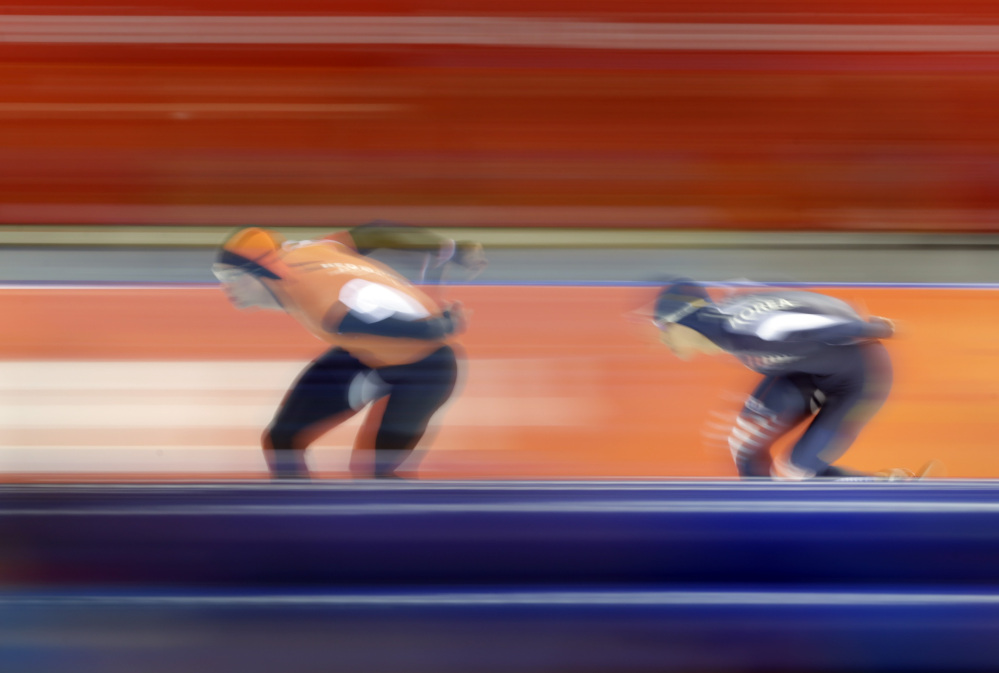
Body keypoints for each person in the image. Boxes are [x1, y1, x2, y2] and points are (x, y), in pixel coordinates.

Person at [213, 226, 471, 479]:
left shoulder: (315, 301)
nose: (225, 287)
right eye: (221, 275)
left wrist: (435, 328)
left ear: (262, 272)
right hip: (364, 352)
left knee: (375, 472)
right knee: (282, 439)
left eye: (233, 276)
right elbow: (372, 232)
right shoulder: (311, 250)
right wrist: (446, 247)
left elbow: (364, 322)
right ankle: (299, 515)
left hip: (427, 371)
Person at [651, 278, 910, 480]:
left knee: (791, 473)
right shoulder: (726, 319)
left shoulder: (743, 330)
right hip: (807, 370)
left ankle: (878, 486)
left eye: (663, 326)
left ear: (684, 319)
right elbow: (789, 299)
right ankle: (759, 516)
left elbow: (790, 322)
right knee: (742, 443)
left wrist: (868, 327)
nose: (662, 337)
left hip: (858, 379)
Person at [323, 219, 488, 284]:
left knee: (376, 230)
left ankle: (452, 251)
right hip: (334, 249)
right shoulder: (441, 248)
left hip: (356, 239)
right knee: (376, 233)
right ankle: (454, 251)